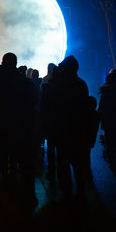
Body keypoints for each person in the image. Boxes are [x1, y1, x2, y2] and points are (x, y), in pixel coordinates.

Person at [0, 53, 36, 204]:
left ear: (2, 62)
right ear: (16, 63)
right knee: (22, 163)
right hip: (19, 130)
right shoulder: (24, 82)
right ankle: (25, 196)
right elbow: (32, 105)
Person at [53, 56, 89, 202]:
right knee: (78, 163)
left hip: (64, 131)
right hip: (77, 131)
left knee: (64, 162)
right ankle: (80, 191)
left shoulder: (61, 86)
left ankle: (66, 192)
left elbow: (55, 108)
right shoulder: (81, 84)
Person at [98, 69, 116, 165]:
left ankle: (112, 161)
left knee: (110, 142)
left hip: (109, 120)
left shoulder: (106, 90)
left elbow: (102, 106)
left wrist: (99, 117)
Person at [40, 64, 58, 183]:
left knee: (51, 148)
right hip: (60, 122)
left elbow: (43, 104)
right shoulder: (64, 85)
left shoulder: (45, 82)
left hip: (50, 121)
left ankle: (52, 171)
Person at [85, 96, 100, 184]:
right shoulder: (95, 115)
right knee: (86, 157)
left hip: (81, 138)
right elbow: (94, 130)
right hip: (88, 139)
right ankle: (88, 176)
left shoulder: (83, 114)